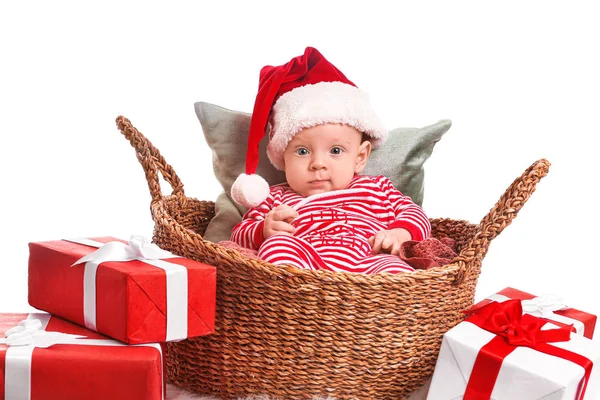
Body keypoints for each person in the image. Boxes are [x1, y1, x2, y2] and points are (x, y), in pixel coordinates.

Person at [229, 47, 431, 274]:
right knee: (277, 246)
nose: (317, 164)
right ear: (283, 157)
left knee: (395, 265)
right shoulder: (275, 199)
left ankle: (383, 305)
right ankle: (292, 299)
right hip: (305, 266)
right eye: (302, 151)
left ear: (360, 157)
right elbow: (239, 234)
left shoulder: (377, 188)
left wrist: (400, 233)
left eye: (335, 150)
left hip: (369, 262)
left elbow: (416, 214)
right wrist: (263, 231)